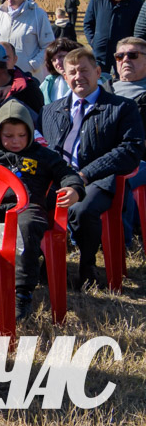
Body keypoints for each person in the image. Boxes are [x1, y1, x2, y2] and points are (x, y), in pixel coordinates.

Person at [0, 100, 83, 320]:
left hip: (28, 208)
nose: (16, 141)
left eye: (21, 135)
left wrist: (74, 188)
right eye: (8, 136)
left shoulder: (43, 155)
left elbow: (67, 173)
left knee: (27, 229)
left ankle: (22, 293)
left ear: (30, 132)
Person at [42, 47, 145, 287]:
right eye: (73, 72)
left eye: (84, 70)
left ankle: (87, 266)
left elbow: (130, 150)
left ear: (98, 72)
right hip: (59, 178)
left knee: (82, 210)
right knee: (29, 204)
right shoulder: (50, 110)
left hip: (99, 179)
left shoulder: (122, 107)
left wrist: (85, 175)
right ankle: (44, 263)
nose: (79, 76)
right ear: (64, 78)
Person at [84, 0, 143, 73]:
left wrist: (132, 46)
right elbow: (88, 24)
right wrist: (92, 41)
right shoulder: (97, 0)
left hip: (124, 52)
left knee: (123, 79)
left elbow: (138, 28)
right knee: (100, 79)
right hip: (101, 51)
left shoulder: (136, 3)